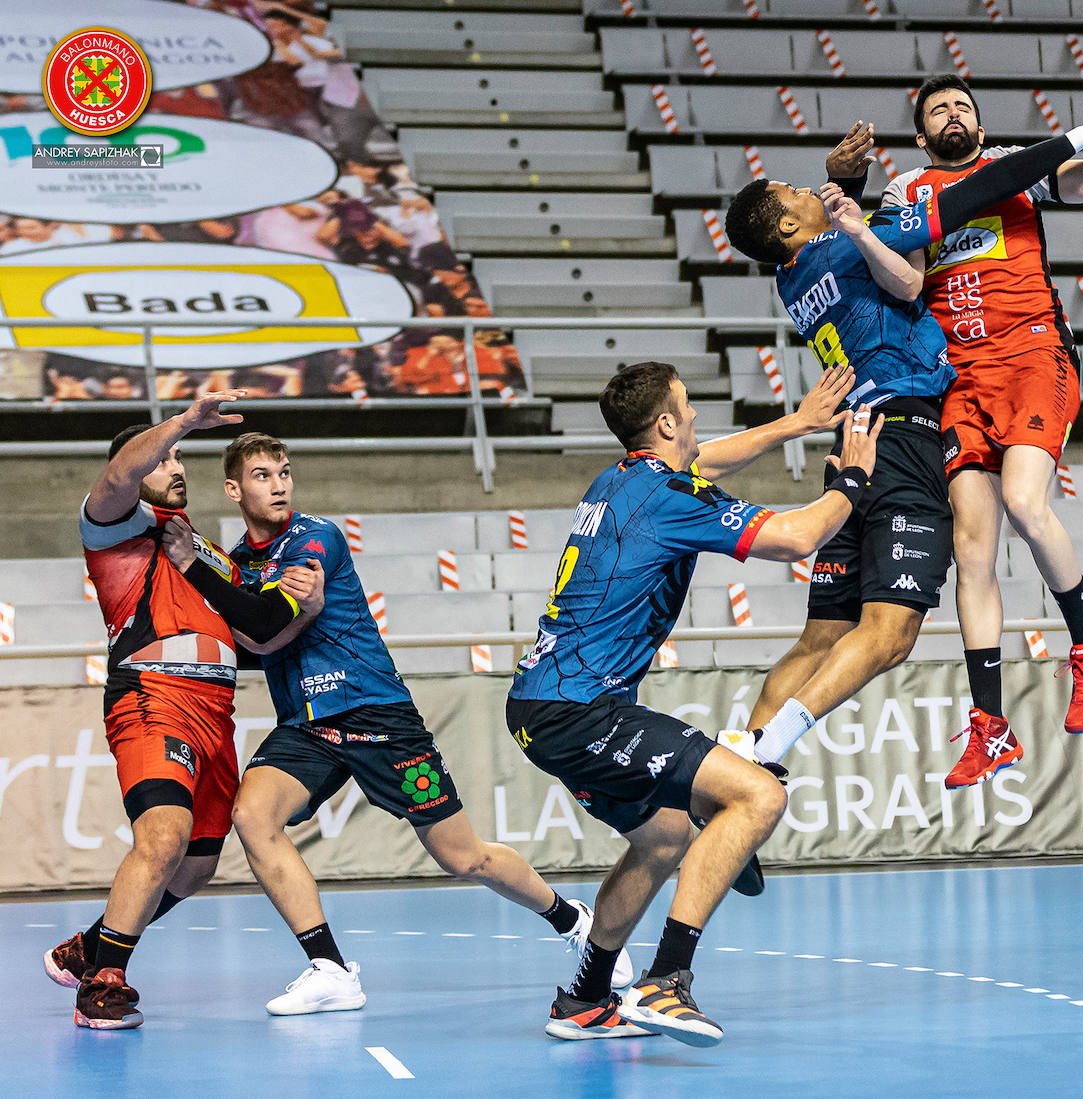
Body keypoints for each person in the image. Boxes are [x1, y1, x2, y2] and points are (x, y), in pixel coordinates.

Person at [162, 432, 630, 1015]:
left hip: (376, 716)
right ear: (233, 489)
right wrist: (209, 573)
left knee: (462, 857)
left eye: (284, 471)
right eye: (262, 475)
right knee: (252, 815)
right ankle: (330, 968)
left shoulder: (316, 537)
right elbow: (255, 639)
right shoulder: (241, 562)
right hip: (307, 727)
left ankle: (570, 918)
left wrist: (194, 564)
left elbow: (261, 620)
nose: (279, 483)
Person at [721, 112, 1083, 788]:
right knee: (890, 632)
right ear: (789, 225)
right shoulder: (848, 248)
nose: (806, 188)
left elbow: (831, 243)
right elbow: (971, 197)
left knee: (821, 636)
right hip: (902, 441)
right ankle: (773, 742)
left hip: (848, 452)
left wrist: (840, 181)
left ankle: (740, 773)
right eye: (793, 190)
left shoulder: (791, 279)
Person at [506, 360, 877, 1045]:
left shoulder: (620, 479)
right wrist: (852, 479)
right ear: (667, 421)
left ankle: (585, 1000)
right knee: (759, 796)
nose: (699, 419)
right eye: (688, 406)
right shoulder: (670, 498)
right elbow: (797, 537)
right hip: (580, 707)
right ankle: (665, 981)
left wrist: (794, 423)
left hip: (540, 705)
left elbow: (708, 459)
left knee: (666, 836)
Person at [854, 76, 1083, 785]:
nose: (954, 115)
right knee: (972, 544)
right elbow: (903, 281)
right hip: (958, 377)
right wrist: (859, 230)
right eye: (938, 112)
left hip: (1031, 355)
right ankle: (989, 726)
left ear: (980, 130)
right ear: (923, 137)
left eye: (963, 107)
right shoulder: (906, 191)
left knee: (1024, 502)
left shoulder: (1018, 172)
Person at [41, 393, 323, 1030]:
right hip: (154, 696)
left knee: (195, 866)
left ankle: (91, 946)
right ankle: (104, 985)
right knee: (162, 837)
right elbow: (117, 476)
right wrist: (186, 422)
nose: (176, 465)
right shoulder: (113, 525)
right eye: (162, 458)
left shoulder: (201, 548)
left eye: (179, 456)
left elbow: (256, 639)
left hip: (215, 712)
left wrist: (301, 610)